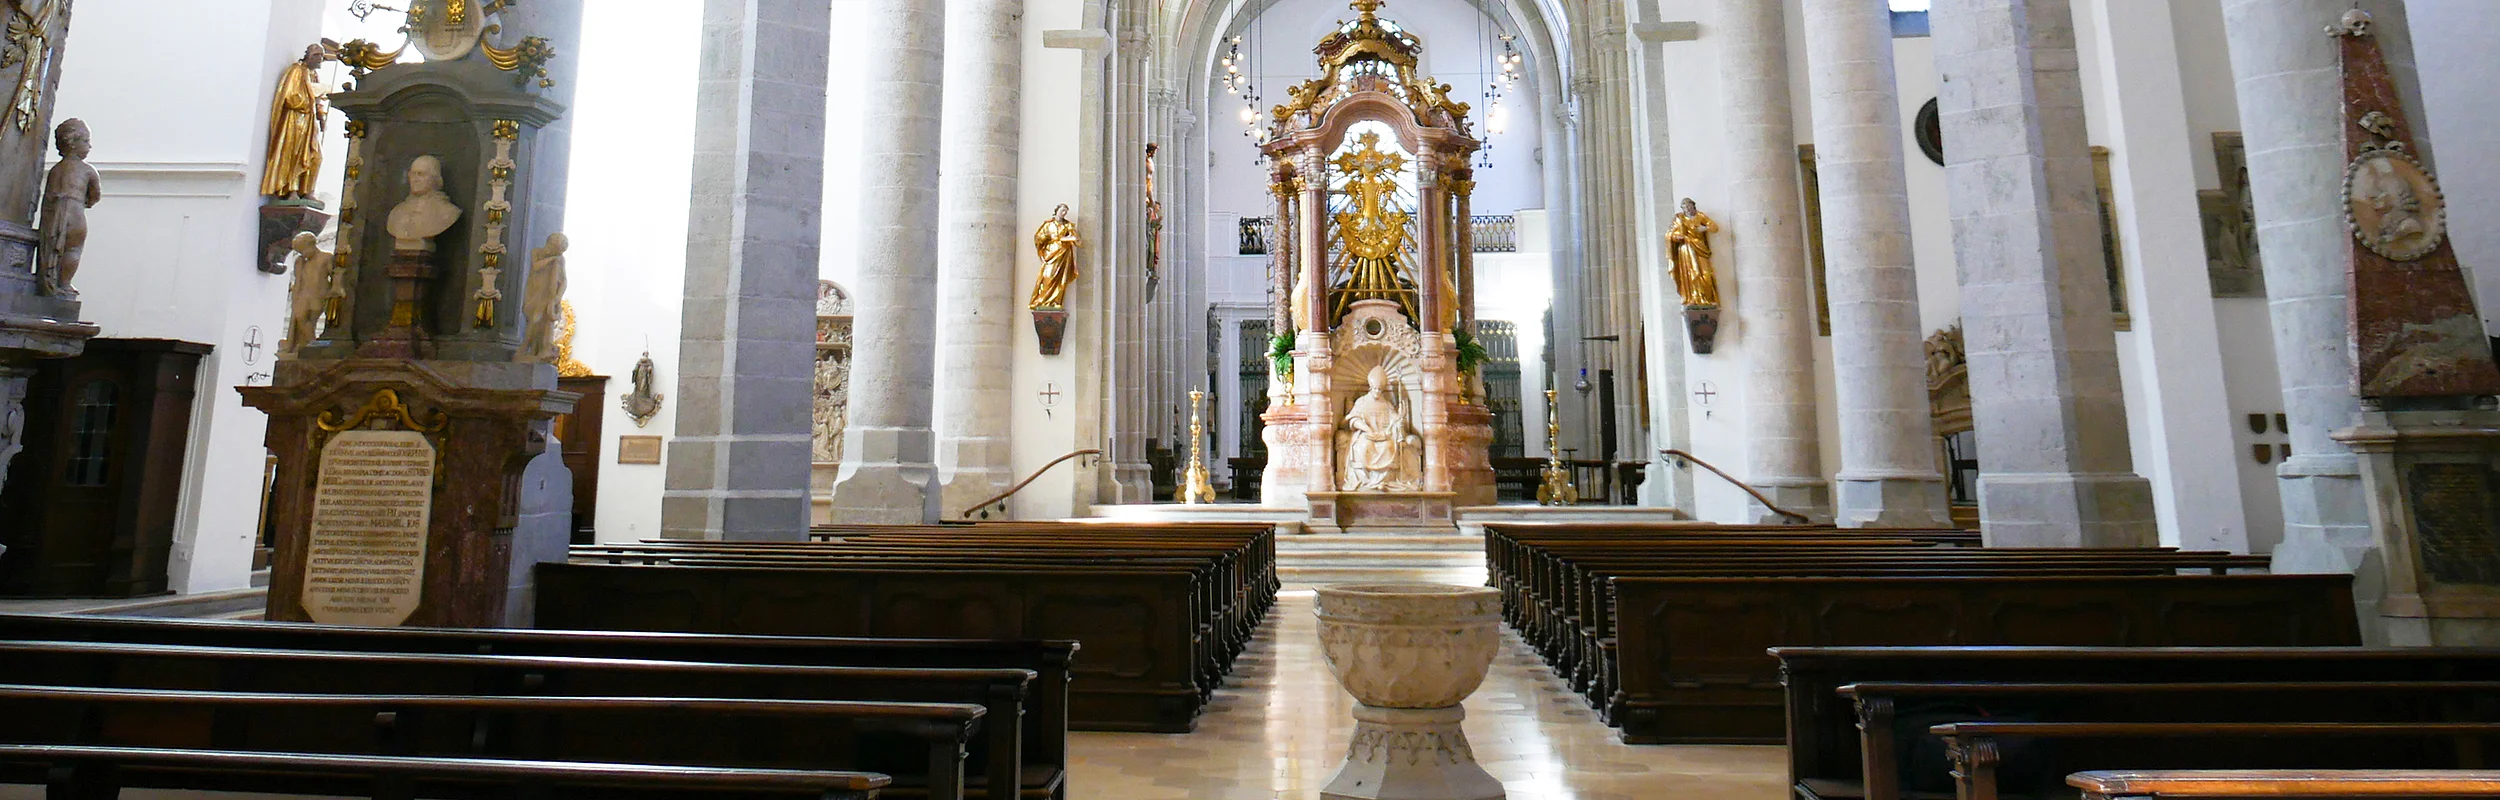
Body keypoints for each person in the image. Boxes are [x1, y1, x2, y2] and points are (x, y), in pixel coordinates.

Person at [37, 118, 98, 299]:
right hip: (75, 212)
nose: (90, 146)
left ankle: (48, 281)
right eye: (86, 141)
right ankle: (64, 284)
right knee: (73, 249)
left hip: (53, 212)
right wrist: (86, 203)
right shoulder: (88, 170)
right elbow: (95, 195)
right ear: (72, 143)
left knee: (49, 247)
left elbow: (48, 196)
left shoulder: (55, 169)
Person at [1337, 365, 1419, 491]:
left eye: (1380, 389)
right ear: (1370, 387)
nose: (1377, 392)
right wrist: (1367, 429)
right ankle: (1367, 481)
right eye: (1375, 389)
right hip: (1366, 435)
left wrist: (1400, 416)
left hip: (1384, 435)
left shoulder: (1386, 404)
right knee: (1364, 446)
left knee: (1389, 447)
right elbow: (1353, 419)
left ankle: (1383, 481)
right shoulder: (1362, 401)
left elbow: (1395, 419)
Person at [1666, 197, 1719, 307]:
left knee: (1706, 274)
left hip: (1700, 247)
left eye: (1689, 207)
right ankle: (1694, 297)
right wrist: (1677, 237)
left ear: (1693, 206)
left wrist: (1704, 228)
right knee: (1692, 273)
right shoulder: (1679, 219)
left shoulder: (1700, 216)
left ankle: (1707, 298)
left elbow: (1714, 227)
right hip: (1686, 249)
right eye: (1685, 208)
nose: (1688, 210)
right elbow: (1670, 234)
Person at [1029, 204, 1080, 309]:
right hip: (1051, 253)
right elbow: (1039, 237)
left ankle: (1056, 302)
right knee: (1048, 276)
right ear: (1057, 210)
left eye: (1066, 211)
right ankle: (1041, 301)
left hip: (1064, 255)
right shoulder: (1048, 224)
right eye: (1062, 210)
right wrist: (1043, 248)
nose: (1064, 213)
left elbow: (1078, 241)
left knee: (1061, 280)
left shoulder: (1068, 225)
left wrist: (1072, 232)